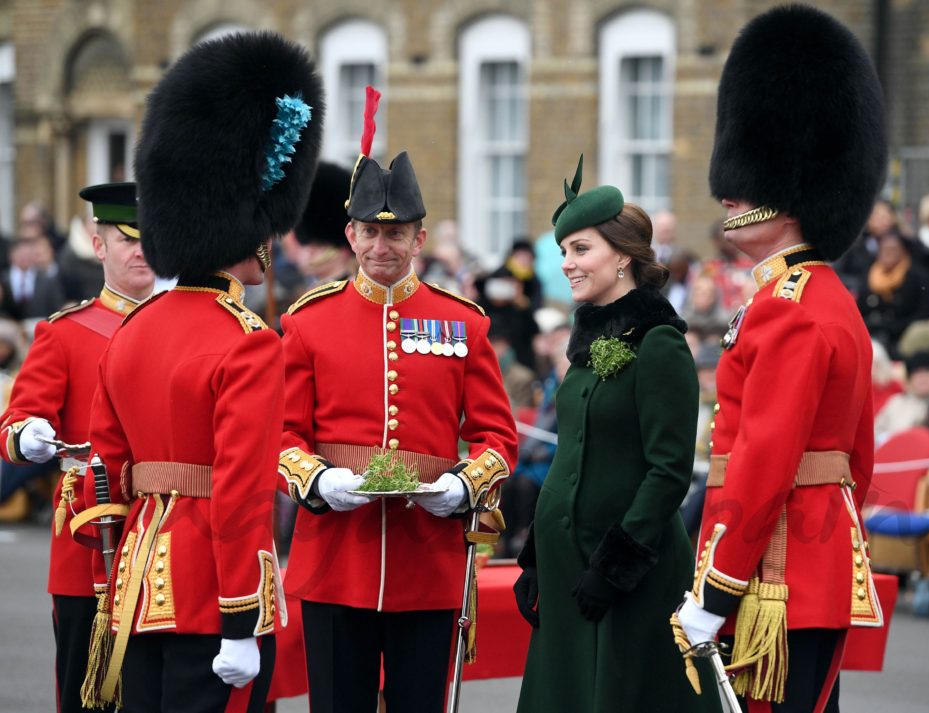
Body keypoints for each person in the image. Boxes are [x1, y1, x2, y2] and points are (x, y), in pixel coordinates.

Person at [83, 33, 323, 711]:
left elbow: (108, 462)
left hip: (138, 586)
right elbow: (243, 491)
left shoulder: (131, 330)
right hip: (211, 598)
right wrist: (243, 618)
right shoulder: (247, 341)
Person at [671, 6, 887, 712]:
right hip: (807, 562)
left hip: (778, 572)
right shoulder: (822, 297)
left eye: (748, 182)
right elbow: (860, 461)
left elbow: (763, 460)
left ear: (788, 190)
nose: (730, 194)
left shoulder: (792, 307)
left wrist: (717, 586)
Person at [277, 87, 517, 713]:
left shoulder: (462, 323)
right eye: (370, 234)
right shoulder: (309, 322)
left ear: (420, 238)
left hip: (427, 560)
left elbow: (497, 436)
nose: (382, 248)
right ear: (350, 235)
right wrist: (316, 480)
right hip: (336, 558)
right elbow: (279, 435)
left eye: (397, 235)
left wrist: (465, 486)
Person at [513, 156, 719, 712]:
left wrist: (616, 566)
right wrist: (536, 557)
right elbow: (570, 458)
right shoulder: (584, 339)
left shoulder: (660, 343)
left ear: (623, 256)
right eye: (564, 252)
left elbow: (669, 469)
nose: (567, 264)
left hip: (629, 575)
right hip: (567, 568)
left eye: (581, 249)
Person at [0, 181, 153, 713]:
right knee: (87, 696)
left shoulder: (190, 325)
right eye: (126, 239)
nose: (141, 251)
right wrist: (29, 435)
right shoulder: (64, 333)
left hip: (163, 543)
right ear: (98, 245)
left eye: (150, 239)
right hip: (88, 542)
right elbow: (15, 425)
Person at [857, 232, 929, 359]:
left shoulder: (918, 277)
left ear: (904, 251)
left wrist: (894, 327)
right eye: (884, 249)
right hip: (874, 334)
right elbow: (860, 309)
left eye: (893, 249)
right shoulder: (868, 275)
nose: (888, 253)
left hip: (905, 335)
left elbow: (924, 312)